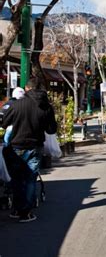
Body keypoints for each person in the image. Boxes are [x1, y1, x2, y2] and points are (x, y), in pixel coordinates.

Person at [1, 78, 57, 223]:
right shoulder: (46, 107)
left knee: (17, 179)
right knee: (30, 179)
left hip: (17, 146)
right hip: (35, 145)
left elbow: (4, 123)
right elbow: (51, 129)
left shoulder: (17, 105)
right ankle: (26, 212)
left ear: (26, 89)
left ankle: (17, 209)